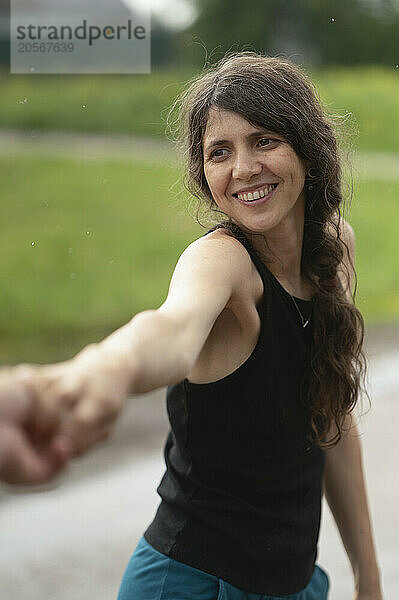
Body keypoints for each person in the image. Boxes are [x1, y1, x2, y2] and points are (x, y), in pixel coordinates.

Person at [0, 52, 382, 599]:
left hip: (295, 587)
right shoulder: (222, 263)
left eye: (265, 140)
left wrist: (369, 577)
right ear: (204, 175)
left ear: (307, 146)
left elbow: (333, 422)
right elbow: (170, 329)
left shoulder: (334, 249)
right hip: (190, 585)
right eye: (219, 152)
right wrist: (90, 373)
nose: (243, 168)